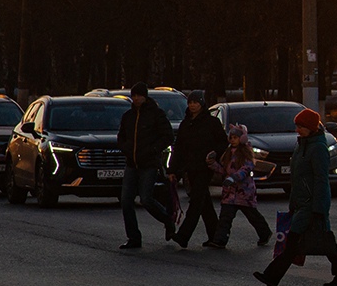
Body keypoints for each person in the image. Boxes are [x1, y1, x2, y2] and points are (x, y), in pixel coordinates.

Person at [253, 108, 337, 286]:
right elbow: (297, 178)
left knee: (293, 242)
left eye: (301, 127)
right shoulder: (302, 145)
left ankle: (272, 277)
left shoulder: (318, 148)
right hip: (302, 202)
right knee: (326, 240)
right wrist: (293, 202)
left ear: (311, 128)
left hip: (311, 203)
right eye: (297, 126)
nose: (297, 130)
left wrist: (319, 208)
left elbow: (321, 179)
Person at [114, 83, 175, 250]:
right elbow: (121, 137)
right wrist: (125, 148)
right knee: (126, 201)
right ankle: (133, 237)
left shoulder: (155, 115)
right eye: (134, 96)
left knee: (146, 199)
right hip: (131, 163)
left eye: (139, 96)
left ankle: (167, 219)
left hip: (149, 163)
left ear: (145, 96)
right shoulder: (128, 116)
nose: (136, 99)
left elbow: (168, 136)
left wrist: (153, 149)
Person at [165, 91, 228, 249]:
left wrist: (214, 154)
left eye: (196, 102)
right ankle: (216, 236)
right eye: (190, 102)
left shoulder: (211, 122)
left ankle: (183, 236)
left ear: (202, 104)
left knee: (196, 201)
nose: (193, 105)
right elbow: (178, 149)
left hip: (205, 167)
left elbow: (222, 143)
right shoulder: (186, 123)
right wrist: (173, 169)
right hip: (190, 168)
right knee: (204, 202)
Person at [212, 123, 273, 247]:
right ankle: (220, 240)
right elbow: (224, 170)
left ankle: (264, 233)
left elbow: (246, 169)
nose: (233, 140)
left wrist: (234, 178)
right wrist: (212, 164)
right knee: (225, 217)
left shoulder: (246, 153)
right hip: (229, 192)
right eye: (231, 137)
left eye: (236, 137)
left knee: (253, 216)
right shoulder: (228, 153)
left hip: (244, 192)